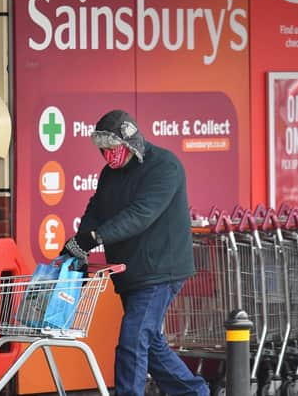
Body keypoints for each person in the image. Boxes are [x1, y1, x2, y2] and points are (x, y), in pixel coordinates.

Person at [60, 109, 210, 396]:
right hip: (130, 271)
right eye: (103, 150)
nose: (108, 155)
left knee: (134, 338)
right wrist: (79, 244)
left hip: (160, 270)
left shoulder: (165, 167)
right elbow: (97, 209)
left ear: (131, 142)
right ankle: (194, 393)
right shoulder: (110, 174)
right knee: (150, 342)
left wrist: (97, 237)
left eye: (112, 148)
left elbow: (141, 214)